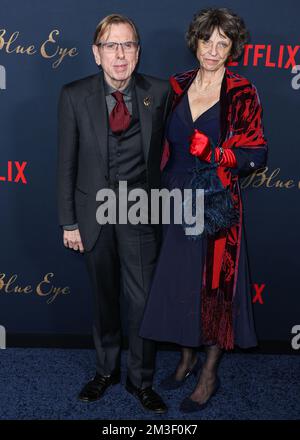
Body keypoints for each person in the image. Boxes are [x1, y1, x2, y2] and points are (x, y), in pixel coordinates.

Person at [140, 7, 268, 412]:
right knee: (180, 285)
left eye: (222, 43)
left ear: (233, 48)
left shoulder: (242, 92)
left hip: (216, 204)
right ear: (194, 41)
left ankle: (209, 374)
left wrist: (217, 153)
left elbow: (257, 152)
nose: (213, 51)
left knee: (215, 288)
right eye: (206, 41)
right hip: (175, 200)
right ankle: (185, 359)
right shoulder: (175, 85)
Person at [57, 14, 172, 414]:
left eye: (128, 45)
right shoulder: (74, 95)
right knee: (105, 299)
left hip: (141, 210)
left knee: (142, 301)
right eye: (111, 45)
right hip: (93, 214)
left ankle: (140, 380)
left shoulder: (159, 92)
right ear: (96, 53)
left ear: (138, 53)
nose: (120, 54)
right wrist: (69, 221)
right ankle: (105, 371)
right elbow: (66, 164)